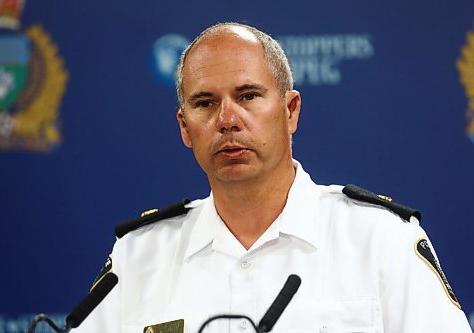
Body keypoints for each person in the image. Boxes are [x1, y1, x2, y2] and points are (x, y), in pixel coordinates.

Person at [73, 23, 472, 333]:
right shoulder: (139, 256)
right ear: (184, 126)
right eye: (205, 103)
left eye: (247, 96)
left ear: (291, 110)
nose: (227, 120)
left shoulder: (381, 240)